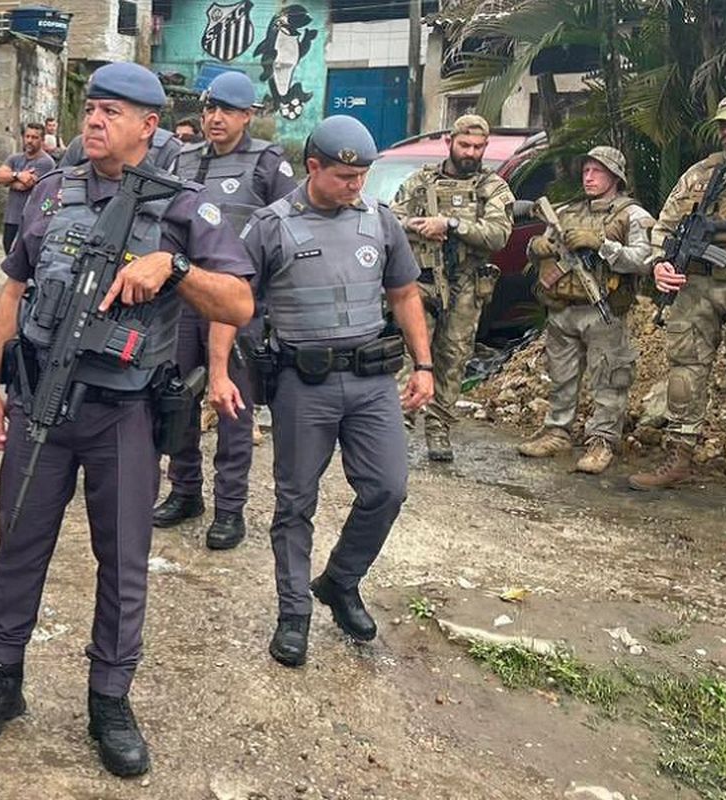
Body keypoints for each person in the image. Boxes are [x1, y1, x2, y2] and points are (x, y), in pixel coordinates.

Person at [0, 62, 255, 778]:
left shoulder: (183, 208)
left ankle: (109, 698)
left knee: (123, 560)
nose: (94, 121)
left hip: (123, 413)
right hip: (39, 407)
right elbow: (12, 292)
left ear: (149, 127)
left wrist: (173, 271)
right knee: (18, 542)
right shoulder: (52, 194)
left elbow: (238, 303)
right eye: (91, 108)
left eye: (112, 112)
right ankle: (1, 678)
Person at [241, 115, 434, 668]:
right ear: (313, 167)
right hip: (304, 384)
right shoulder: (270, 225)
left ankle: (341, 581)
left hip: (372, 381)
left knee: (388, 489)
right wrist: (226, 369)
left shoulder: (380, 220)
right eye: (345, 176)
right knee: (295, 501)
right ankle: (293, 613)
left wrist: (423, 364)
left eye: (363, 176)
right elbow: (233, 301)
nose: (356, 186)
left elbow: (403, 295)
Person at [153, 69, 299, 548]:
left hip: (237, 307)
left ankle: (230, 508)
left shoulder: (267, 163)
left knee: (232, 407)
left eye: (228, 111)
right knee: (177, 398)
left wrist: (270, 304)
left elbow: (289, 231)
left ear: (247, 116)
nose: (216, 119)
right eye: (211, 109)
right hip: (186, 298)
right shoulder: (185, 159)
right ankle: (185, 491)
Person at [634, 92, 726, 512]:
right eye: (724, 123)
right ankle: (678, 456)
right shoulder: (700, 174)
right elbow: (666, 222)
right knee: (685, 373)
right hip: (694, 288)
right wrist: (658, 263)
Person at [517, 146, 653, 474]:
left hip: (603, 309)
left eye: (597, 171)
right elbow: (540, 247)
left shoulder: (632, 215)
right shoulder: (565, 211)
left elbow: (646, 260)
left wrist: (601, 244)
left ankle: (602, 439)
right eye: (586, 171)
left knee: (608, 378)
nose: (589, 177)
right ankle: (556, 431)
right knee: (561, 376)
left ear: (615, 177)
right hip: (563, 307)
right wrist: (536, 247)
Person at [390, 114, 514, 462]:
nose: (471, 152)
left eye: (478, 147)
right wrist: (413, 224)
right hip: (423, 280)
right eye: (465, 145)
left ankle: (439, 429)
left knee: (453, 357)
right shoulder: (421, 181)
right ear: (450, 142)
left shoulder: (493, 187)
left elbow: (498, 234)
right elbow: (389, 220)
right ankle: (399, 426)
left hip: (467, 284)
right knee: (413, 352)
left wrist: (452, 223)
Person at [0, 122, 56, 255]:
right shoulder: (14, 158)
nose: (29, 141)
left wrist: (8, 181)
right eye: (27, 136)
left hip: (30, 221)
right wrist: (18, 175)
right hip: (11, 219)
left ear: (42, 140)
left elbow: (24, 185)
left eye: (34, 137)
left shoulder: (46, 162)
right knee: (8, 257)